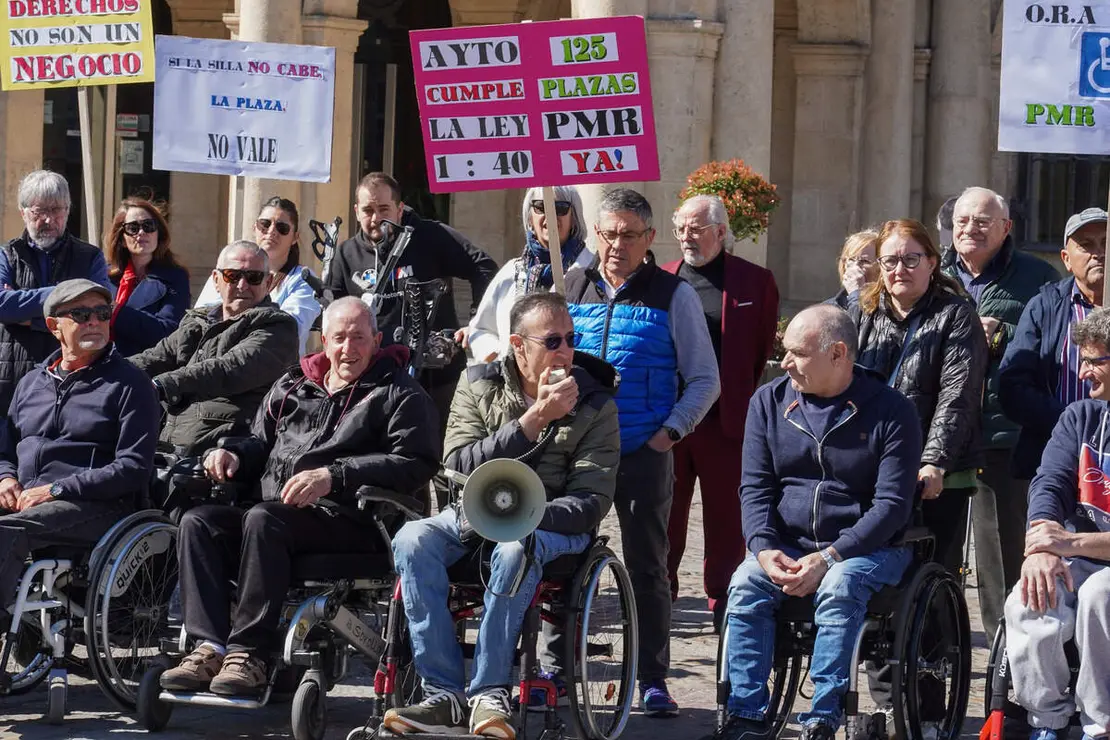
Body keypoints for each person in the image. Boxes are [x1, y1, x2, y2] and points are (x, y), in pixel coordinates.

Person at [158, 297, 440, 697]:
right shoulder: (294, 385)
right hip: (276, 512)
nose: (348, 348)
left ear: (376, 340)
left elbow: (416, 461)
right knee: (199, 521)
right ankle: (209, 646)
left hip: (353, 520)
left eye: (359, 338)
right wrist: (231, 452)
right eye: (339, 338)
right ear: (323, 340)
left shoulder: (399, 393)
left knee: (262, 519)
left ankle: (249, 654)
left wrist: (334, 475)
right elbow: (259, 441)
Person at [382, 292, 620, 738]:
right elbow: (457, 463)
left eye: (571, 338)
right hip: (473, 511)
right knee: (413, 539)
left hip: (553, 526)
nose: (566, 351)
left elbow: (592, 499)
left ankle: (490, 692)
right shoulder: (478, 384)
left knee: (514, 549)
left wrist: (529, 515)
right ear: (517, 343)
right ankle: (443, 693)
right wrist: (533, 420)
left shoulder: (596, 403)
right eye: (552, 340)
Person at [704, 304, 921, 740]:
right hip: (788, 542)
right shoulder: (768, 401)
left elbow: (892, 505)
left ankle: (823, 717)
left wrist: (830, 556)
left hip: (870, 548)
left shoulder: (891, 410)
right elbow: (755, 488)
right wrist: (764, 548)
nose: (784, 363)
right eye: (784, 351)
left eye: (797, 353)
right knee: (745, 583)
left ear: (838, 353)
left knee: (841, 585)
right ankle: (745, 715)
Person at [565, 187, 720, 716]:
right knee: (558, 557)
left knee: (648, 568)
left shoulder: (673, 296)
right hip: (577, 452)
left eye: (629, 235)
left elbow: (705, 379)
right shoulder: (570, 286)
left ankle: (653, 677)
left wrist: (669, 435)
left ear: (650, 239)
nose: (616, 245)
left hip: (642, 452)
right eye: (608, 233)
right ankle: (557, 665)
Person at [848, 218, 988, 722]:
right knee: (875, 584)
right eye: (890, 261)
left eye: (911, 259)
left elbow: (957, 397)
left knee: (927, 584)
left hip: (940, 476)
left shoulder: (956, 316)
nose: (899, 269)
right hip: (871, 472)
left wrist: (933, 461)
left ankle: (927, 707)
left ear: (933, 262)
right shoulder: (861, 313)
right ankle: (888, 704)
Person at [328, 172, 498, 509]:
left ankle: (455, 536)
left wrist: (476, 324)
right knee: (398, 464)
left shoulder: (428, 235)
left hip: (437, 376)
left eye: (383, 209)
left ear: (400, 208)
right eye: (367, 210)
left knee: (447, 463)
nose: (375, 218)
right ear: (356, 210)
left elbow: (484, 267)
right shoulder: (347, 253)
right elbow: (332, 300)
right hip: (377, 381)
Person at [939, 187, 1059, 638]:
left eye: (983, 220)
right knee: (937, 554)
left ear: (1007, 228)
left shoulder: (1037, 276)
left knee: (1004, 560)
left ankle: (1005, 665)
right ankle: (939, 655)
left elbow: (1054, 343)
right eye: (964, 220)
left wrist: (1003, 333)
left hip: (1005, 434)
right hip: (943, 436)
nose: (971, 228)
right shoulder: (935, 272)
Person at [0, 279, 159, 615]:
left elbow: (133, 467)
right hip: (27, 497)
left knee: (7, 531)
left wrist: (56, 489)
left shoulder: (131, 383)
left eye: (102, 313)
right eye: (81, 313)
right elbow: (5, 449)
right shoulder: (31, 383)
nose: (94, 321)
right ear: (54, 326)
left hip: (96, 504)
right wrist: (5, 478)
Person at [662, 194, 780, 633]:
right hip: (670, 422)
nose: (687, 237)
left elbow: (760, 349)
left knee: (727, 520)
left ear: (720, 231)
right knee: (665, 513)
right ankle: (660, 594)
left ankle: (724, 599)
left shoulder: (755, 281)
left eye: (696, 228)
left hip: (726, 423)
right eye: (681, 229)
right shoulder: (663, 279)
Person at [1003, 307, 1110, 740]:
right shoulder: (1081, 417)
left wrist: (1071, 541)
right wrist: (1045, 546)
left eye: (1094, 361)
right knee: (1029, 600)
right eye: (1081, 360)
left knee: (1101, 596)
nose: (1082, 372)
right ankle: (1046, 721)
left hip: (1090, 552)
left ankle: (1097, 725)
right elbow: (1048, 483)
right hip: (1077, 551)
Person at [130, 241, 299, 455]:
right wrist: (105, 371)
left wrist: (161, 386)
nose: (242, 285)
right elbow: (155, 357)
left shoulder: (278, 327)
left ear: (268, 282)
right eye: (232, 275)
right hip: (166, 448)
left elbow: (229, 368)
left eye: (253, 277)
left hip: (226, 456)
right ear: (216, 280)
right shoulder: (197, 322)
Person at [1000, 207, 1108, 493]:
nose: (1099, 253)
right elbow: (1012, 386)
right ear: (1066, 259)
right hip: (1054, 456)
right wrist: (1070, 424)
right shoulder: (1045, 306)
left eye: (1106, 243)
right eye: (1086, 245)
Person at [0, 170, 110, 413]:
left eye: (56, 210)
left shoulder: (90, 257)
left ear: (68, 211)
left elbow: (99, 310)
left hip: (71, 383)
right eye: (39, 211)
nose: (48, 220)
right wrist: (67, 296)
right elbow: (2, 306)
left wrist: (28, 318)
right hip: (10, 384)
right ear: (23, 212)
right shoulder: (6, 255)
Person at [464, 185, 593, 363]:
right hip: (514, 385)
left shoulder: (592, 273)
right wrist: (498, 357)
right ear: (530, 218)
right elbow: (481, 329)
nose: (550, 215)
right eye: (540, 207)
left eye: (561, 208)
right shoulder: (512, 271)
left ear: (574, 219)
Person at [194, 197, 321, 355]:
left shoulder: (303, 279)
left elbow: (290, 328)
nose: (271, 231)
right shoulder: (227, 270)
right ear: (254, 228)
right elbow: (202, 317)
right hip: (215, 359)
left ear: (295, 237)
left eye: (282, 228)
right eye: (265, 224)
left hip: (272, 366)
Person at [104, 197, 191, 356]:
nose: (142, 232)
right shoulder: (104, 276)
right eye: (133, 228)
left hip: (144, 368)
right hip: (101, 366)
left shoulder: (175, 277)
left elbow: (168, 332)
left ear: (158, 234)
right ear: (123, 239)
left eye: (148, 226)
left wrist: (116, 311)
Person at [830, 229, 880, 308]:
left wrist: (855, 294)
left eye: (864, 261)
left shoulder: (890, 307)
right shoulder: (830, 308)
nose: (855, 267)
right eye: (851, 260)